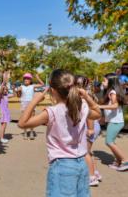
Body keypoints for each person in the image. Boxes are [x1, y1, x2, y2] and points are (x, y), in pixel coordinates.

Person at [18, 69, 101, 197]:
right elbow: (97, 113)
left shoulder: (52, 112)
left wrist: (34, 101)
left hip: (62, 165)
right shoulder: (82, 106)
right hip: (81, 164)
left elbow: (22, 123)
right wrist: (86, 97)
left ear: (53, 90)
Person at [75, 75, 102, 186]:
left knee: (85, 153)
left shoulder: (83, 96)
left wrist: (90, 129)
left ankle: (91, 177)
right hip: (90, 126)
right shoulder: (87, 94)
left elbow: (89, 114)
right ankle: (95, 173)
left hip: (90, 126)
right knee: (88, 152)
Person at [99, 73, 128, 171]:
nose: (102, 83)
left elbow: (115, 106)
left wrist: (99, 106)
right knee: (111, 142)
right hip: (115, 121)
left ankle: (125, 160)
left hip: (115, 122)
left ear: (110, 81)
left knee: (109, 142)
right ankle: (118, 162)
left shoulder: (112, 92)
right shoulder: (111, 91)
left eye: (104, 80)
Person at [16, 73, 44, 140]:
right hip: (24, 104)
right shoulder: (21, 87)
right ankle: (25, 132)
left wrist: (37, 77)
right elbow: (18, 96)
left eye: (28, 78)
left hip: (31, 104)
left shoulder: (32, 86)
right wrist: (17, 91)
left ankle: (31, 132)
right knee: (24, 118)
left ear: (30, 80)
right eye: (25, 78)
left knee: (32, 118)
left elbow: (42, 84)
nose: (26, 79)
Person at [0, 71, 15, 143]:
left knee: (4, 125)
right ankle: (1, 138)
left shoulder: (6, 96)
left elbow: (14, 95)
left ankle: (2, 137)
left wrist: (13, 88)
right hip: (2, 112)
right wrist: (4, 81)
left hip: (6, 112)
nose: (5, 90)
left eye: (6, 89)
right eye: (3, 89)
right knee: (3, 125)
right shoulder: (0, 96)